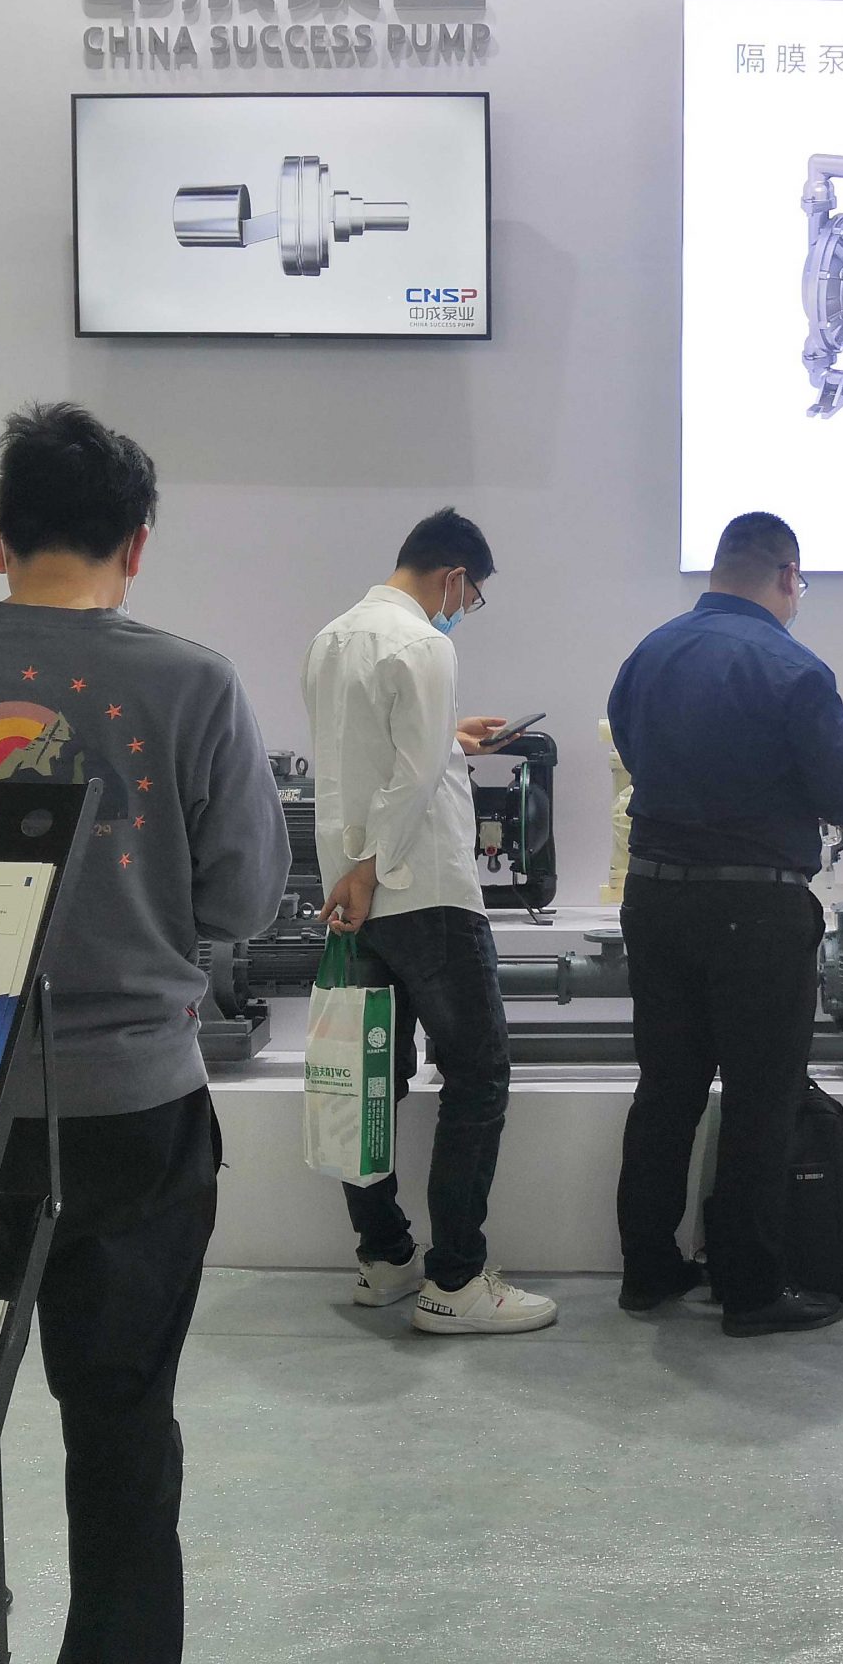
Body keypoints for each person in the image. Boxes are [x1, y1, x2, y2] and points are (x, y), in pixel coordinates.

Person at [0, 402, 286, 1661]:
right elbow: (245, 901)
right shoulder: (193, 682)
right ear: (136, 546)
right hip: (131, 1110)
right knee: (124, 1425)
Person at [609, 511, 843, 1336]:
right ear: (788, 576)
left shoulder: (648, 655)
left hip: (655, 896)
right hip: (757, 905)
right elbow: (841, 795)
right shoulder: (796, 668)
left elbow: (633, 754)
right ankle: (751, 1289)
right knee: (761, 1096)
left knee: (666, 1090)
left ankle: (648, 1271)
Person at [301, 506, 557, 1337]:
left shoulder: (332, 638)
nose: (464, 611)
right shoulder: (425, 643)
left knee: (369, 1078)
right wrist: (375, 864)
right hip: (426, 890)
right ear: (453, 577)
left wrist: (450, 739)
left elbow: (371, 756)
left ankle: (385, 1259)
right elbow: (411, 780)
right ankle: (456, 1281)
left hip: (354, 895)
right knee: (478, 1077)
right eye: (470, 597)